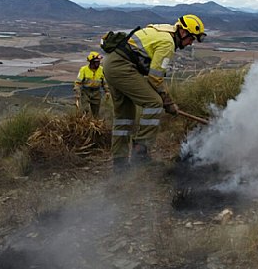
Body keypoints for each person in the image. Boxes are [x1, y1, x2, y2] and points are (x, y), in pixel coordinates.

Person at [102, 15, 207, 173]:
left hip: (111, 65)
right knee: (154, 103)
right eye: (192, 38)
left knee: (124, 116)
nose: (191, 43)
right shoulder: (168, 43)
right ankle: (140, 153)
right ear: (183, 32)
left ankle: (120, 165)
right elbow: (155, 78)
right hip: (122, 67)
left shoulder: (163, 30)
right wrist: (168, 102)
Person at [73, 51, 110, 118]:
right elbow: (78, 83)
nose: (98, 63)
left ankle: (95, 124)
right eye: (96, 62)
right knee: (85, 110)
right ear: (92, 62)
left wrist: (107, 91)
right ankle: (84, 123)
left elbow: (105, 82)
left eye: (99, 62)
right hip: (85, 92)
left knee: (96, 112)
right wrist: (77, 93)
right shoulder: (83, 69)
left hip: (97, 92)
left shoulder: (101, 69)